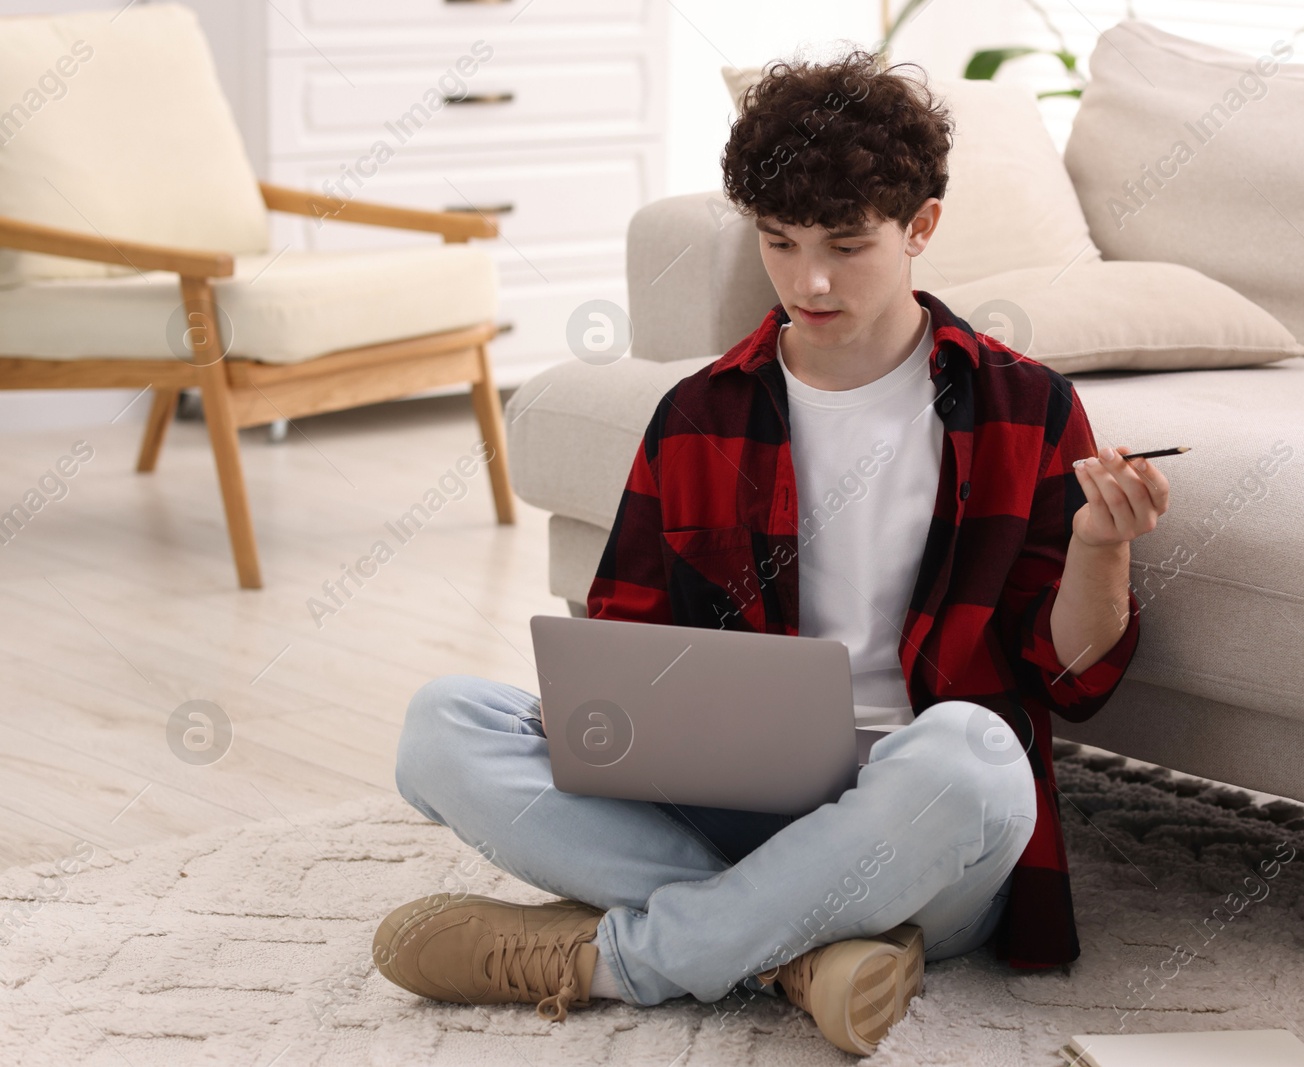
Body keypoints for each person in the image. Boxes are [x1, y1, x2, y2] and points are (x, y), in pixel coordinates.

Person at [374, 49, 1170, 1057]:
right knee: (439, 723)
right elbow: (623, 659)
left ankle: (618, 959)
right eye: (780, 243)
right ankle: (798, 955)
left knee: (977, 755)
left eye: (846, 242)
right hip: (721, 807)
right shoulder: (699, 412)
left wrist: (1100, 549)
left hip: (916, 834)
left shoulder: (1024, 407)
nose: (812, 280)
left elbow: (1072, 676)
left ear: (921, 226)